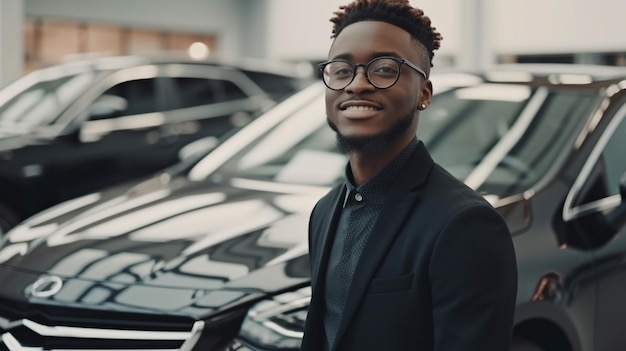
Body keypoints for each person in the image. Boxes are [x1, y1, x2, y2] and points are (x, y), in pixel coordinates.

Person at [301, 0, 518, 350]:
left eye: (384, 69)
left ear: (424, 94)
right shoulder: (324, 212)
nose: (357, 84)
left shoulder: (465, 224)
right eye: (341, 69)